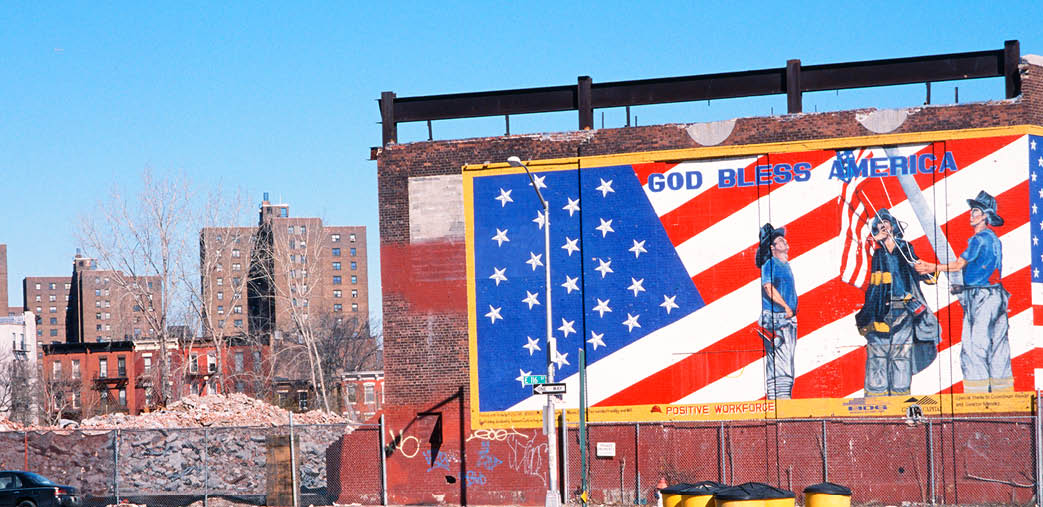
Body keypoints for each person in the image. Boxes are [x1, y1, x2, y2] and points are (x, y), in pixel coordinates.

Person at [916, 190, 1012, 392]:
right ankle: (1003, 395)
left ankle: (976, 397)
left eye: (975, 211)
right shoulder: (994, 239)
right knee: (998, 348)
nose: (971, 214)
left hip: (982, 298)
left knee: (973, 348)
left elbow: (959, 265)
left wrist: (931, 267)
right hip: (997, 295)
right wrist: (964, 286)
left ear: (985, 216)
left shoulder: (979, 239)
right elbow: (987, 271)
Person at [855, 209, 940, 397]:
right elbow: (861, 266)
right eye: (879, 223)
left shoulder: (905, 248)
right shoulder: (872, 252)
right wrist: (874, 241)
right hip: (877, 312)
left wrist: (929, 269)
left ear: (893, 225)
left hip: (903, 310)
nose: (883, 225)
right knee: (877, 356)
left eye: (886, 222)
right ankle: (876, 401)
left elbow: (921, 269)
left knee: (901, 357)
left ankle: (900, 400)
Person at [756, 223, 797, 400]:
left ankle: (781, 399)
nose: (784, 241)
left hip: (786, 320)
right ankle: (780, 402)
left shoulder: (785, 264)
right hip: (778, 318)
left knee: (785, 362)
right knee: (781, 365)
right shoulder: (770, 264)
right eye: (780, 240)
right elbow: (768, 287)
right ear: (772, 248)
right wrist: (786, 307)